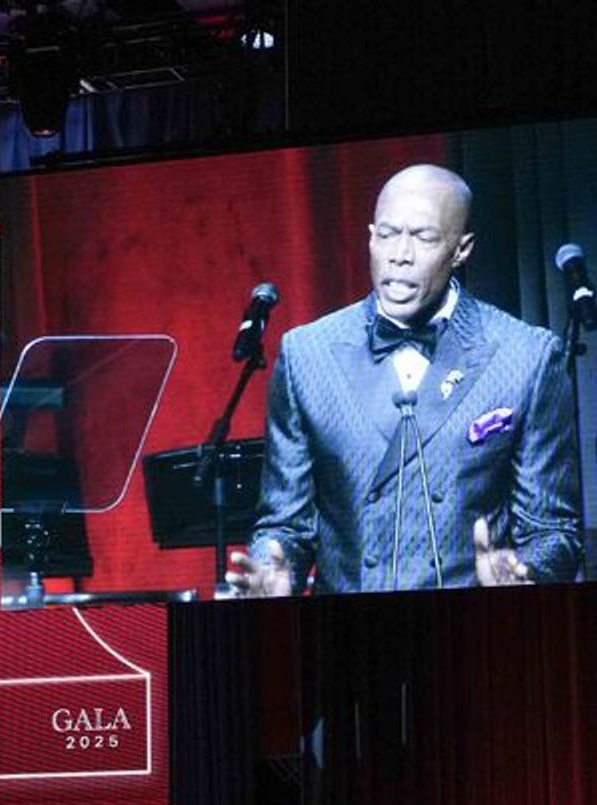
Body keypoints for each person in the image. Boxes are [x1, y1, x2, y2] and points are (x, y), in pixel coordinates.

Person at [230, 163, 583, 596]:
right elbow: (284, 524)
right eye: (387, 234)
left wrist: (527, 572)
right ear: (370, 238)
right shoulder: (308, 355)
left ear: (461, 249)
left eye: (423, 237)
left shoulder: (526, 356)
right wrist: (272, 570)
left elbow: (553, 532)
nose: (400, 254)